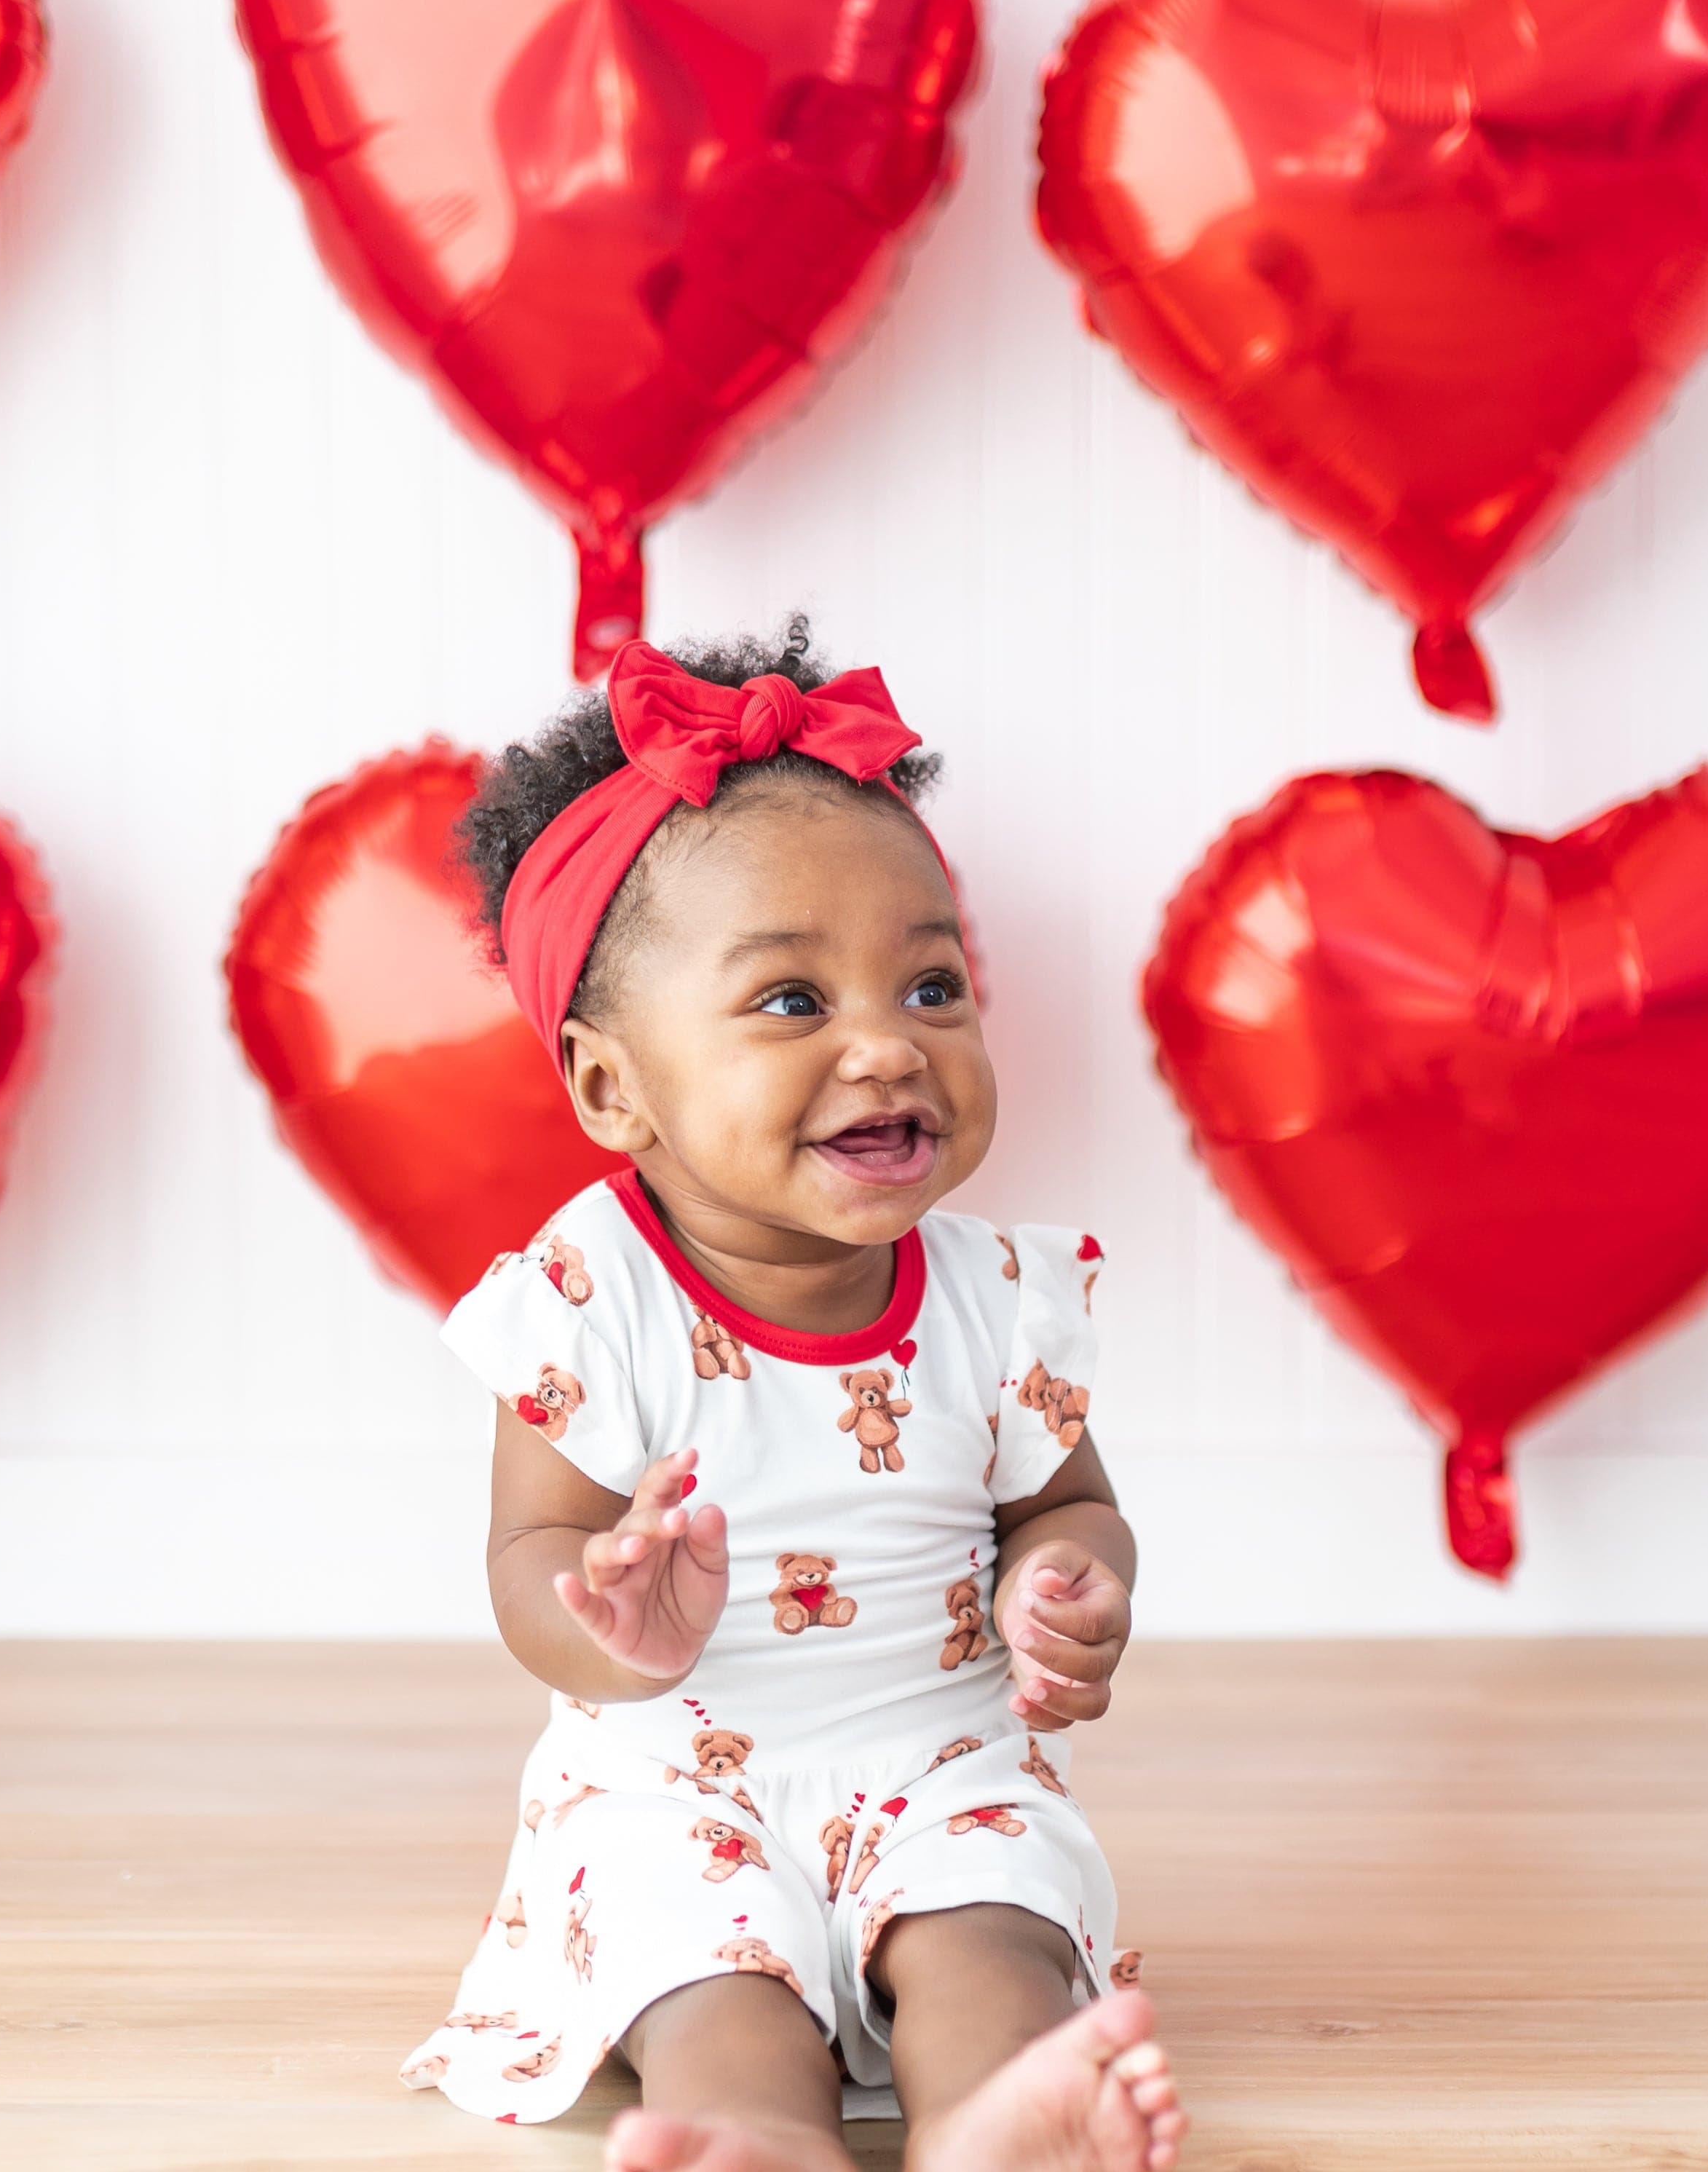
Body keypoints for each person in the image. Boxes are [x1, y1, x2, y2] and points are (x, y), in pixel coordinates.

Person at [400, 622, 1185, 2172]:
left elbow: (1065, 1501)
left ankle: (1004, 2122)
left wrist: (1070, 1583)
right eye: (790, 1004)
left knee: (991, 1937)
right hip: (669, 1778)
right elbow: (524, 1564)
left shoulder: (996, 1299)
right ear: (614, 1086)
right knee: (710, 1979)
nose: (889, 1045)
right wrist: (603, 1617)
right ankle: (754, 2139)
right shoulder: (587, 1301)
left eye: (933, 984)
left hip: (940, 1758)